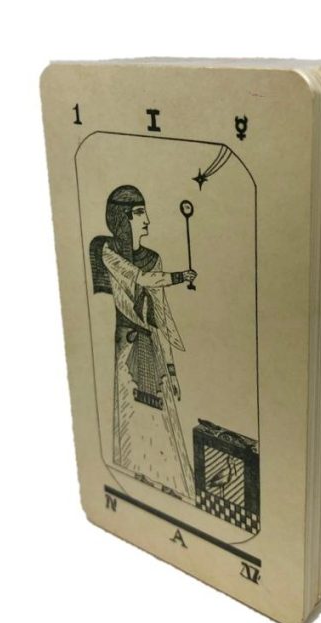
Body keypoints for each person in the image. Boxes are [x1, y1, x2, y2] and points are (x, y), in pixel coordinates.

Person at [96, 185, 197, 499]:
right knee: (132, 421)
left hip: (151, 349)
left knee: (162, 422)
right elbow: (140, 278)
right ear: (122, 218)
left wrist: (172, 370)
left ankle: (170, 487)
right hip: (126, 347)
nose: (147, 220)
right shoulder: (107, 251)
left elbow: (160, 317)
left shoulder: (153, 258)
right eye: (140, 213)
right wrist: (180, 277)